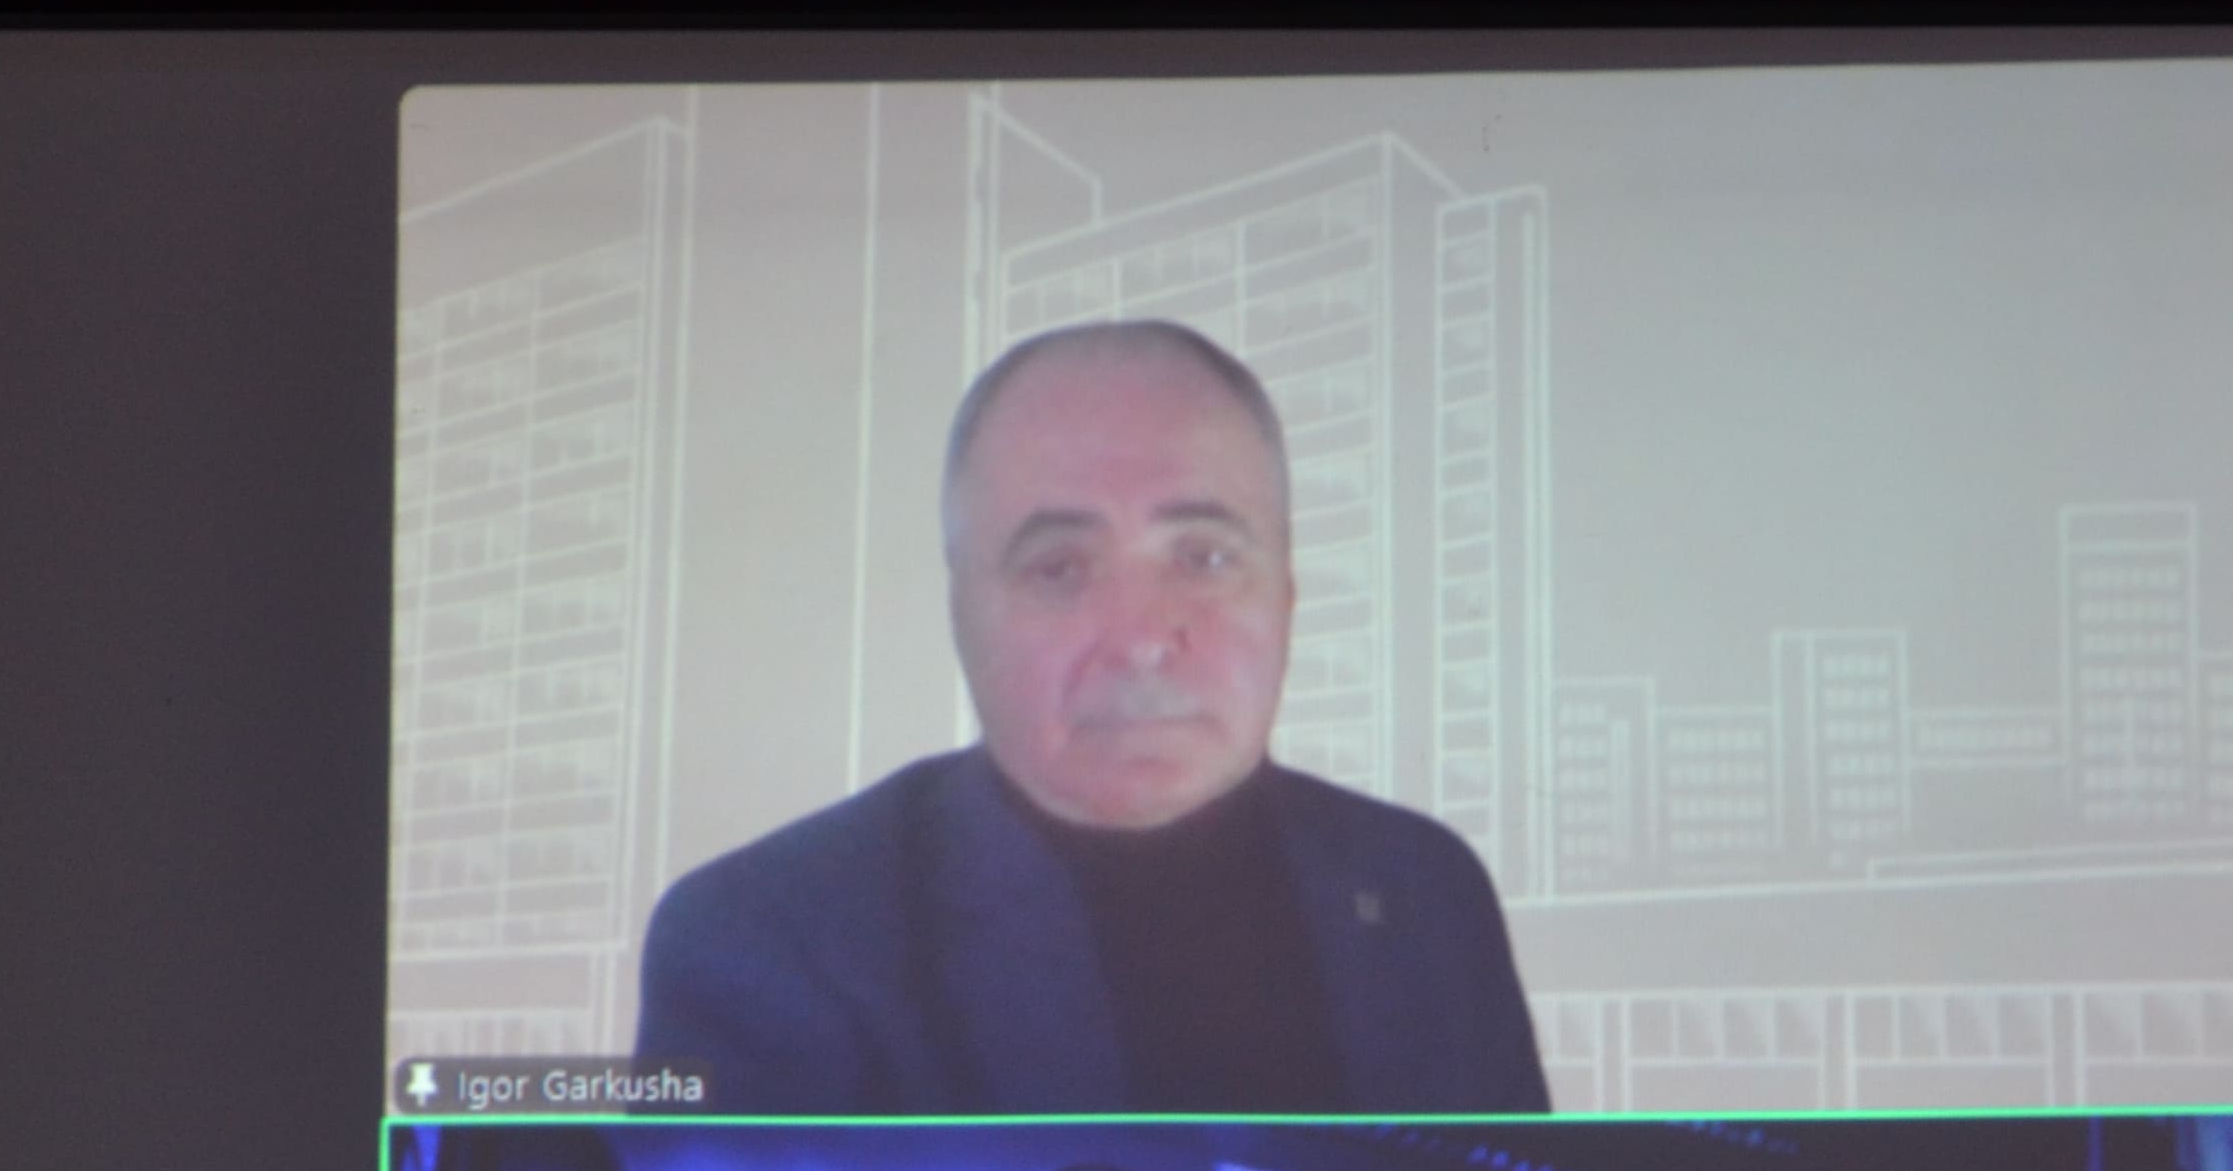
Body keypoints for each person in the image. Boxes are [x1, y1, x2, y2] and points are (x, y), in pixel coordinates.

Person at [634, 320, 1551, 1114]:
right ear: (962, 611)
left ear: (1287, 591)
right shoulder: (766, 941)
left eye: (1204, 557)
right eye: (1060, 569)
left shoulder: (1426, 893)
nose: (1142, 637)